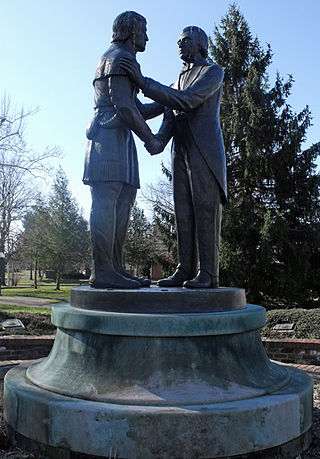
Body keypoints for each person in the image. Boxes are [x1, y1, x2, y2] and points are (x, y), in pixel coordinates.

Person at [120, 26, 227, 288]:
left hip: (205, 152)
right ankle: (185, 269)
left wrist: (143, 81)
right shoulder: (175, 83)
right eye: (178, 41)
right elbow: (154, 113)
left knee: (204, 211)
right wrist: (127, 88)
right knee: (183, 213)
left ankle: (208, 273)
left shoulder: (213, 72)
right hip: (180, 152)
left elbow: (187, 101)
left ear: (200, 44)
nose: (179, 45)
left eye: (186, 40)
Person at [83, 11, 163, 289]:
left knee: (124, 201)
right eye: (143, 31)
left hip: (119, 138)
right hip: (108, 139)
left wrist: (169, 103)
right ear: (130, 31)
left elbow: (136, 107)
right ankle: (103, 271)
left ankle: (114, 267)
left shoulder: (121, 59)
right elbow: (125, 107)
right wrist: (150, 139)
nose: (147, 38)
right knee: (107, 200)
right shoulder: (119, 58)